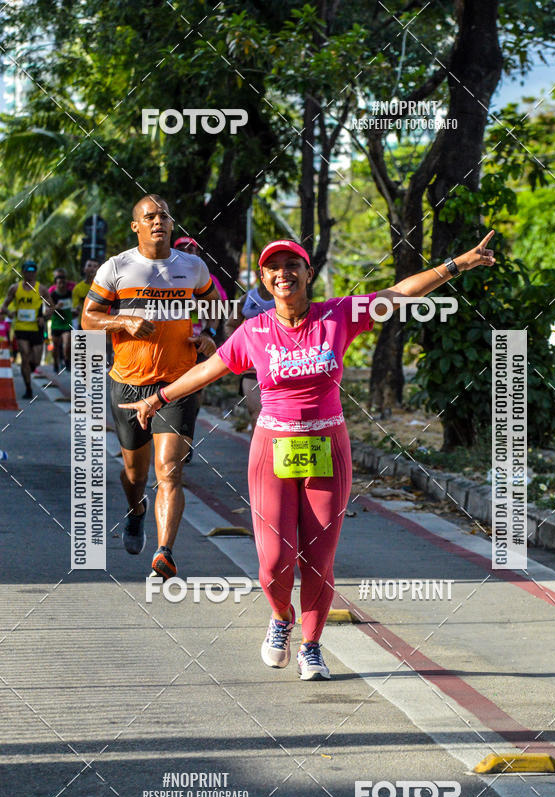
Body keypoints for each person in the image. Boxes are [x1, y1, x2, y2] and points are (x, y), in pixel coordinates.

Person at [119, 232, 496, 680]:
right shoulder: (255, 331)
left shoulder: (338, 315)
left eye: (292, 265)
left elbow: (400, 293)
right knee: (274, 560)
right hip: (271, 450)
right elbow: (205, 370)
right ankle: (281, 619)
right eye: (274, 268)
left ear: (307, 273)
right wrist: (156, 399)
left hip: (328, 448)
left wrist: (458, 264)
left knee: (319, 558)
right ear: (264, 279)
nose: (284, 274)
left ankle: (312, 647)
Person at [81, 194, 219, 579]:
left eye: (164, 216)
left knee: (169, 471)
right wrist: (122, 322)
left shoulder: (192, 267)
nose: (158, 221)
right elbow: (89, 318)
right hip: (128, 385)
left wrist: (208, 334)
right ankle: (135, 510)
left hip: (178, 382)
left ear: (172, 225)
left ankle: (164, 552)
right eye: (150, 216)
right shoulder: (117, 267)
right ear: (135, 226)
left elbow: (215, 305)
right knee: (134, 475)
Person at [224, 278, 275, 431]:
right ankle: (258, 454)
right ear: (261, 274)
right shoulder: (247, 298)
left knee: (276, 419)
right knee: (258, 415)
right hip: (252, 369)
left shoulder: (286, 298)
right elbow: (230, 325)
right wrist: (241, 349)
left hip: (280, 366)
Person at [0, 261, 51, 399]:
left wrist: (44, 317)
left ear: (36, 272)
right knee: (25, 356)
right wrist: (9, 312)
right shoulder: (15, 288)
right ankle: (28, 388)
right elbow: (4, 306)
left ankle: (32, 367)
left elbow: (51, 307)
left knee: (34, 359)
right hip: (21, 328)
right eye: (28, 270)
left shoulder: (42, 289)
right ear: (22, 272)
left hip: (36, 328)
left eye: (33, 270)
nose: (30, 273)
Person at [48, 269, 74, 372]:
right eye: (59, 283)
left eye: (63, 283)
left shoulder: (70, 293)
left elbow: (75, 305)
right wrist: (56, 307)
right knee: (55, 346)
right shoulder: (53, 295)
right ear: (56, 284)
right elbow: (49, 311)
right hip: (56, 324)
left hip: (67, 323)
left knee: (67, 343)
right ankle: (55, 362)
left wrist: (75, 309)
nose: (62, 285)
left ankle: (67, 360)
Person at [72, 259, 100, 329]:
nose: (92, 268)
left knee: (97, 340)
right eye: (89, 266)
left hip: (98, 325)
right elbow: (74, 309)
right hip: (82, 325)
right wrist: (76, 310)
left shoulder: (103, 287)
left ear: (98, 269)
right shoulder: (77, 288)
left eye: (95, 266)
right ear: (84, 269)